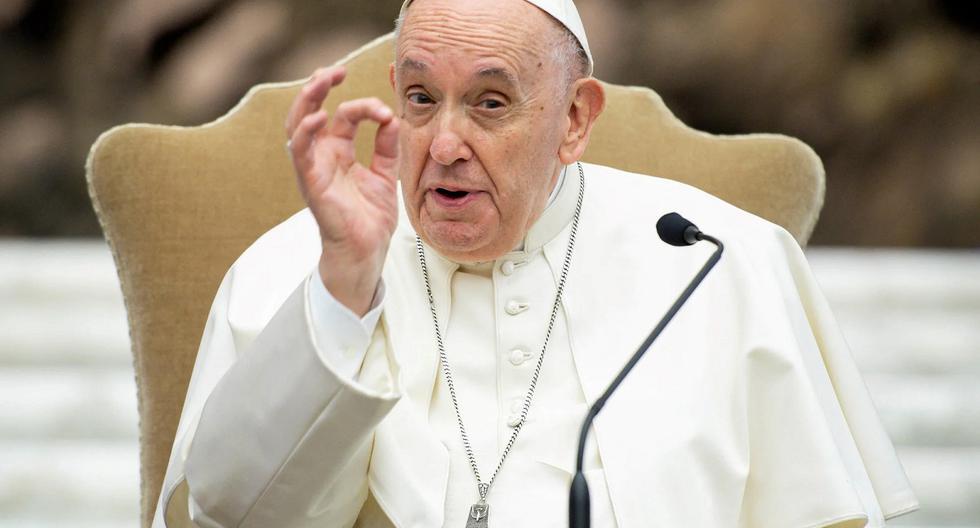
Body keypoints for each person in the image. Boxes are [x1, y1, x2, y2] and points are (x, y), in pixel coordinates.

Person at [152, 0, 919, 526]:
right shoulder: (302, 264)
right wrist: (346, 288)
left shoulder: (714, 261)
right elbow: (235, 513)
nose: (445, 144)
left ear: (575, 119)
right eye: (421, 98)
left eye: (490, 103)